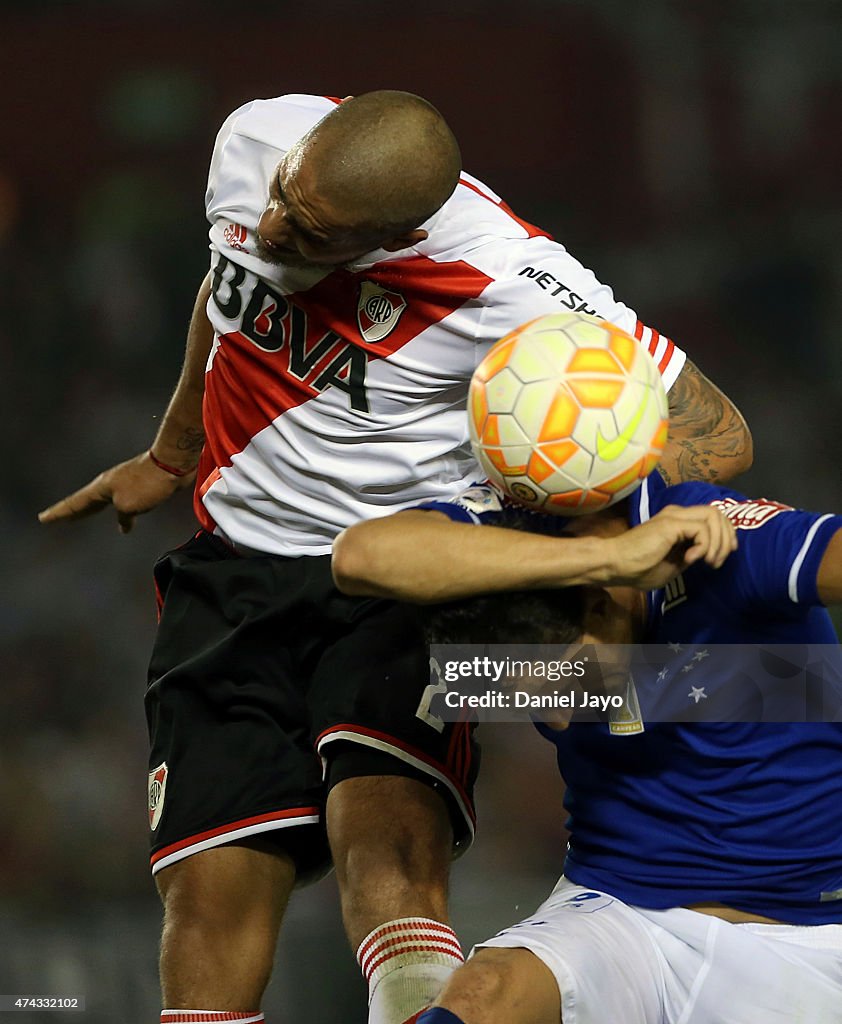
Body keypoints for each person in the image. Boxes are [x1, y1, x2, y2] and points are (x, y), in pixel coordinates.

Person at [37, 90, 753, 1024]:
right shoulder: (254, 141)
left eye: (312, 231)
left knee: (386, 851)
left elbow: (719, 435)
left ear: (390, 237)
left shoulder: (503, 276)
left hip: (398, 582)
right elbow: (221, 294)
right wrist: (171, 454)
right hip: (232, 571)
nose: (275, 227)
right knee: (208, 901)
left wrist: (527, 505)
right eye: (285, 198)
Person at [332, 475, 842, 1023]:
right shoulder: (511, 541)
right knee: (480, 995)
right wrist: (611, 556)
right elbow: (357, 555)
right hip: (622, 915)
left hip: (813, 934)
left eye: (572, 685)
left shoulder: (720, 546)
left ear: (600, 610)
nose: (561, 719)